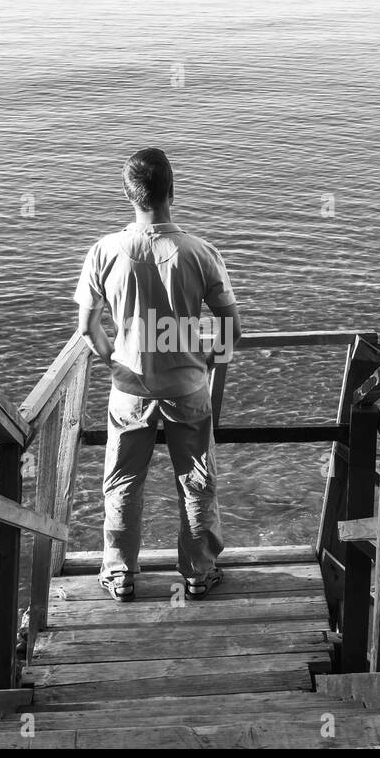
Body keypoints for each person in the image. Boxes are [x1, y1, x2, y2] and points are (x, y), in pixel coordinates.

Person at [74, 147, 241, 603]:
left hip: (129, 386)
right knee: (196, 479)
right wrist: (203, 363)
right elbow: (230, 329)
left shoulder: (104, 251)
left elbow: (88, 327)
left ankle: (120, 574)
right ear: (172, 190)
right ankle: (198, 574)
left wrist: (113, 361)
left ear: (128, 194)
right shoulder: (200, 252)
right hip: (187, 384)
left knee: (124, 480)